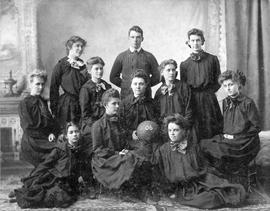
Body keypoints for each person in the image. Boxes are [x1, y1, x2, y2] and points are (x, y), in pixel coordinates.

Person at [152, 114, 246, 209]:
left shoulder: (192, 147)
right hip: (181, 188)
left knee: (229, 191)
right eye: (169, 130)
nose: (172, 133)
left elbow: (202, 168)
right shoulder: (163, 150)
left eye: (176, 130)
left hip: (197, 182)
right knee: (210, 199)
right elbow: (160, 172)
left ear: (184, 131)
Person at [200, 70, 261, 190]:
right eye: (225, 86)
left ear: (239, 85)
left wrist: (238, 136)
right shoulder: (225, 102)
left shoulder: (248, 103)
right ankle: (220, 181)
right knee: (204, 145)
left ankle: (234, 184)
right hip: (229, 138)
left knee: (221, 150)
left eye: (231, 84)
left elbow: (256, 126)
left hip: (245, 142)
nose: (228, 88)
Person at [91, 88, 154, 202]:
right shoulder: (97, 125)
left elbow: (125, 140)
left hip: (120, 154)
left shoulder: (120, 121)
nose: (117, 106)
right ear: (105, 105)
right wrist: (117, 153)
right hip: (105, 159)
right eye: (113, 103)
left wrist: (133, 147)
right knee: (129, 158)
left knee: (142, 153)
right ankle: (125, 191)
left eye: (118, 103)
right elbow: (98, 150)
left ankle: (141, 190)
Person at [10, 122, 90, 208]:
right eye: (71, 132)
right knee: (56, 197)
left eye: (76, 132)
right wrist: (33, 177)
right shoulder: (60, 149)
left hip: (70, 181)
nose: (75, 135)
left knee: (67, 198)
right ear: (66, 136)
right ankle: (24, 196)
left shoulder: (81, 150)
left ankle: (28, 196)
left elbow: (82, 167)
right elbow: (46, 164)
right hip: (55, 178)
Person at [180, 28, 223, 140]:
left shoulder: (212, 59)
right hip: (192, 100)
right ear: (188, 42)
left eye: (198, 40)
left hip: (209, 98)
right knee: (195, 130)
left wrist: (209, 92)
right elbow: (184, 86)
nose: (195, 43)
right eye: (192, 40)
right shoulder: (184, 65)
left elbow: (218, 80)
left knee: (211, 128)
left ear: (202, 41)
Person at [18, 69, 60, 167]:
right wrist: (46, 135)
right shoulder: (24, 103)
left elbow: (50, 122)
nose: (40, 87)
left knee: (62, 149)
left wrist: (52, 133)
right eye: (37, 84)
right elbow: (28, 127)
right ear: (30, 84)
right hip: (32, 142)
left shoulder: (42, 101)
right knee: (58, 151)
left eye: (42, 84)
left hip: (44, 138)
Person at [110, 25, 160, 99]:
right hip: (126, 96)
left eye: (138, 37)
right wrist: (126, 85)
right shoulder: (121, 56)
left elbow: (158, 76)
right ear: (129, 38)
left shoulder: (149, 56)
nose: (135, 40)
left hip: (145, 96)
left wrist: (145, 85)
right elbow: (113, 77)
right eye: (132, 37)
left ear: (142, 39)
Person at [50, 35, 88, 131]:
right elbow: (54, 88)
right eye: (77, 46)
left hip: (82, 103)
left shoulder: (83, 65)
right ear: (69, 46)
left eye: (82, 46)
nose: (80, 49)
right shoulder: (61, 65)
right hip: (67, 105)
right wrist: (54, 109)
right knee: (68, 131)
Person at [119, 69, 158, 148]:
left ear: (146, 85)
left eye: (141, 84)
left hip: (150, 141)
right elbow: (120, 124)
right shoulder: (124, 104)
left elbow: (157, 122)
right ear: (131, 85)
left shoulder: (152, 103)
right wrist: (130, 133)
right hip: (130, 141)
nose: (138, 87)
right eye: (135, 84)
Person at [79, 56, 111, 143]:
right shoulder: (85, 89)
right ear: (89, 71)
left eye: (101, 68)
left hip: (106, 121)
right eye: (96, 69)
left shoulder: (107, 86)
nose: (99, 71)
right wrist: (97, 125)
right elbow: (85, 115)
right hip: (91, 124)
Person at [154, 59, 192, 125]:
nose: (171, 73)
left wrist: (184, 123)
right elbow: (156, 113)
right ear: (162, 72)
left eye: (173, 70)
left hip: (181, 126)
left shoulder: (184, 87)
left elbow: (189, 109)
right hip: (165, 127)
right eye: (168, 70)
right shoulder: (159, 92)